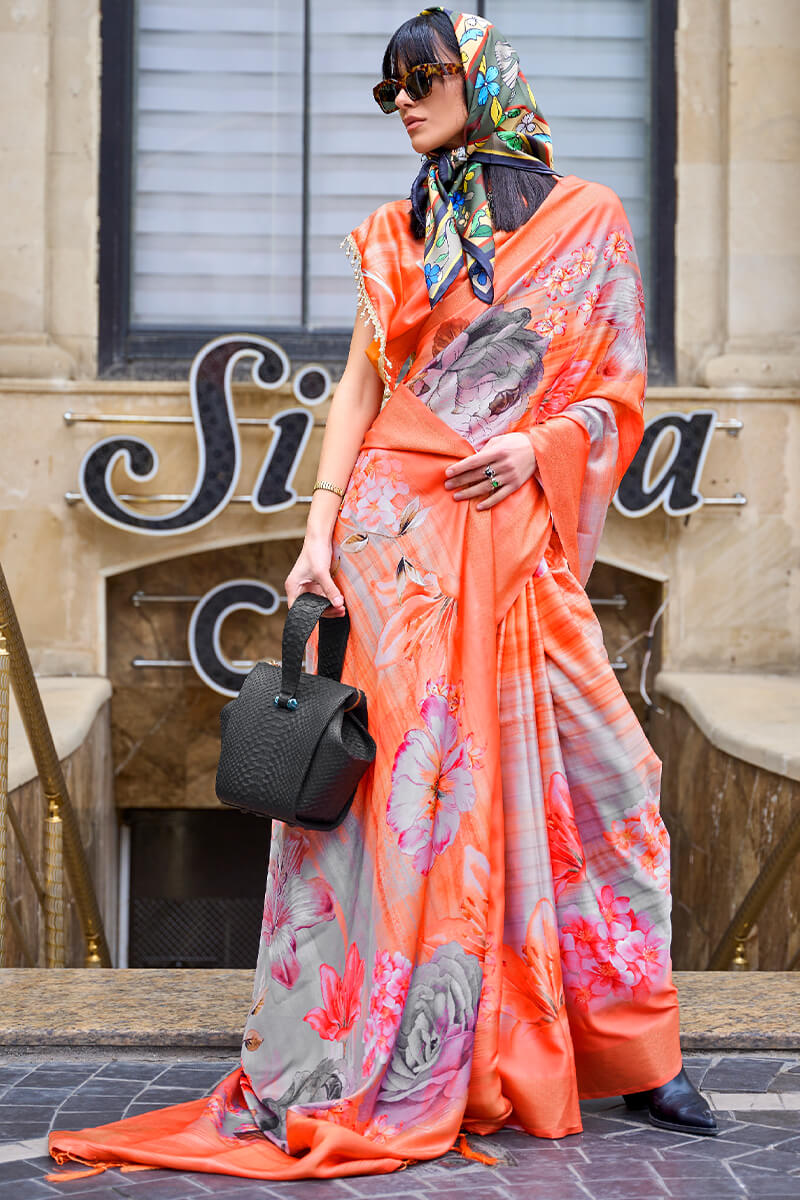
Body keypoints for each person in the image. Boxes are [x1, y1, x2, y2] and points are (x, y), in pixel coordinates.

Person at [47, 6, 716, 1186]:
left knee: (613, 777)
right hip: (394, 542)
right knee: (414, 803)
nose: (402, 103)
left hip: (513, 531)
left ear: (482, 83)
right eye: (386, 89)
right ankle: (422, 1047)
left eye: (421, 79)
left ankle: (632, 1050)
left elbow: (613, 392)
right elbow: (357, 392)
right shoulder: (395, 232)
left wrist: (536, 446)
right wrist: (313, 540)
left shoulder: (586, 221)